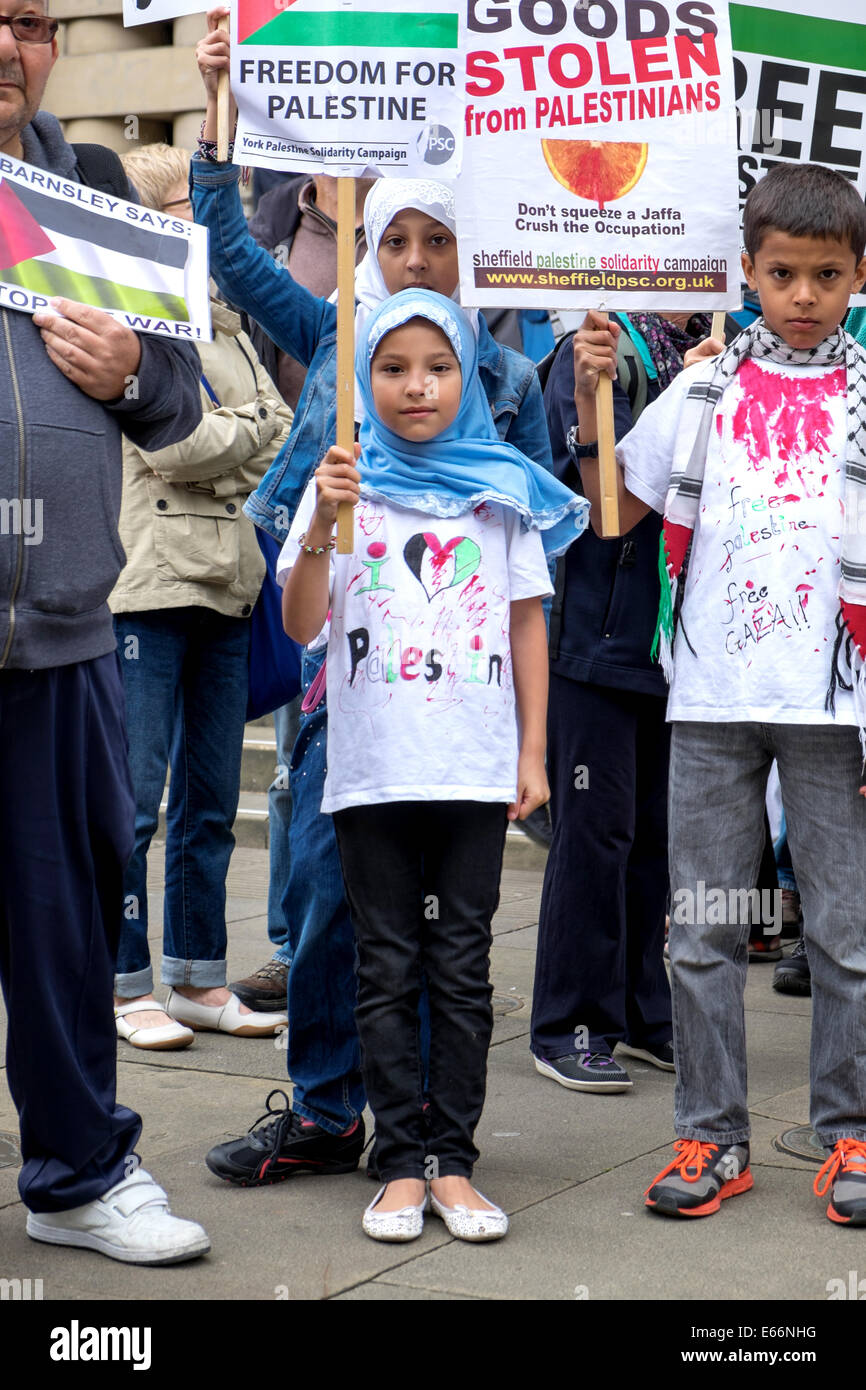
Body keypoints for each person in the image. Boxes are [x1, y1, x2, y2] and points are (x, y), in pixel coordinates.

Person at [193, 8, 553, 1187]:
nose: (411, 261)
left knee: (439, 937)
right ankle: (324, 1101)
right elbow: (234, 260)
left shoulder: (503, 373)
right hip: (333, 672)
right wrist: (221, 116)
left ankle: (427, 1131)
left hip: (452, 701)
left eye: (434, 240)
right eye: (392, 237)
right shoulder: (340, 330)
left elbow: (536, 535)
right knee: (317, 892)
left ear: (466, 253)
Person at [570, 162, 866, 1224]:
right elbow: (611, 516)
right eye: (779, 272)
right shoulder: (701, 389)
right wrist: (592, 390)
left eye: (822, 275)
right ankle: (710, 1135)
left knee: (843, 933)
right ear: (743, 271)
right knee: (699, 926)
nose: (798, 295)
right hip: (707, 699)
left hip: (835, 709)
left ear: (855, 277)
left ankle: (847, 1138)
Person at [279, 290, 587, 1239]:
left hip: (472, 766)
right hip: (372, 769)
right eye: (393, 369)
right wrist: (326, 523)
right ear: (361, 380)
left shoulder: (502, 490)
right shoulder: (341, 480)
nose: (418, 387)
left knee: (461, 965)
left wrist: (534, 752)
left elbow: (528, 623)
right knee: (384, 964)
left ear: (469, 375)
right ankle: (398, 1166)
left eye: (439, 368)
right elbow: (300, 624)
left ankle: (455, 1162)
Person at [0, 2, 209, 1262]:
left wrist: (131, 363)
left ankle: (77, 1175)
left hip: (63, 635)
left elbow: (178, 404)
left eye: (26, 18)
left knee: (70, 926)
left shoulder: (83, 188)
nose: (6, 43)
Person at [109, 143, 294, 1048]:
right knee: (136, 800)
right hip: (147, 583)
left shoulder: (223, 320)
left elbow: (282, 433)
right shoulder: (124, 318)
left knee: (211, 800)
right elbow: (167, 445)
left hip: (230, 582)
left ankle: (196, 977)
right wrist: (240, 434)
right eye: (194, 202)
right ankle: (123, 980)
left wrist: (231, 434)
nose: (213, 216)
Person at [531, 311, 715, 1094]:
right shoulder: (594, 344)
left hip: (686, 647)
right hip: (598, 642)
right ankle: (569, 1023)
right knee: (594, 836)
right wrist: (585, 391)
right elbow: (562, 491)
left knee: (658, 843)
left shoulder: (732, 344)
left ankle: (645, 1013)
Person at [230, 171, 370, 1015]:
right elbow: (237, 268)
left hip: (399, 545)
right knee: (297, 765)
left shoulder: (418, 211)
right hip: (304, 522)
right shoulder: (282, 222)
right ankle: (295, 949)